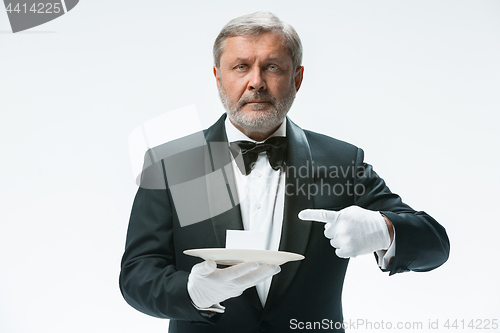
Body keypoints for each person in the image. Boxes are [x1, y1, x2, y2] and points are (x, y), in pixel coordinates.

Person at [119, 11, 450, 332]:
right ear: (219, 77)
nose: (256, 82)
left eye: (272, 67)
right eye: (241, 67)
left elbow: (435, 244)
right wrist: (191, 293)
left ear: (297, 78)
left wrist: (385, 230)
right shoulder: (174, 163)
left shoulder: (342, 162)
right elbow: (136, 275)